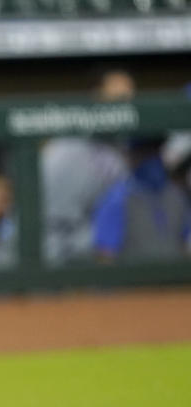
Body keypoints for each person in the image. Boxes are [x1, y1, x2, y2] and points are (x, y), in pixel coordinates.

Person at [40, 68, 135, 266]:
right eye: (119, 99)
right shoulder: (66, 151)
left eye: (130, 100)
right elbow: (53, 226)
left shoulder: (122, 147)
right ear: (96, 98)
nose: (127, 107)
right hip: (69, 264)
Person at [92, 137, 191, 262]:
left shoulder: (175, 195)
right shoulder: (117, 199)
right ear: (131, 157)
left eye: (156, 151)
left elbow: (186, 244)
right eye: (145, 152)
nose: (152, 158)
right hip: (135, 279)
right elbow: (105, 255)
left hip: (174, 279)